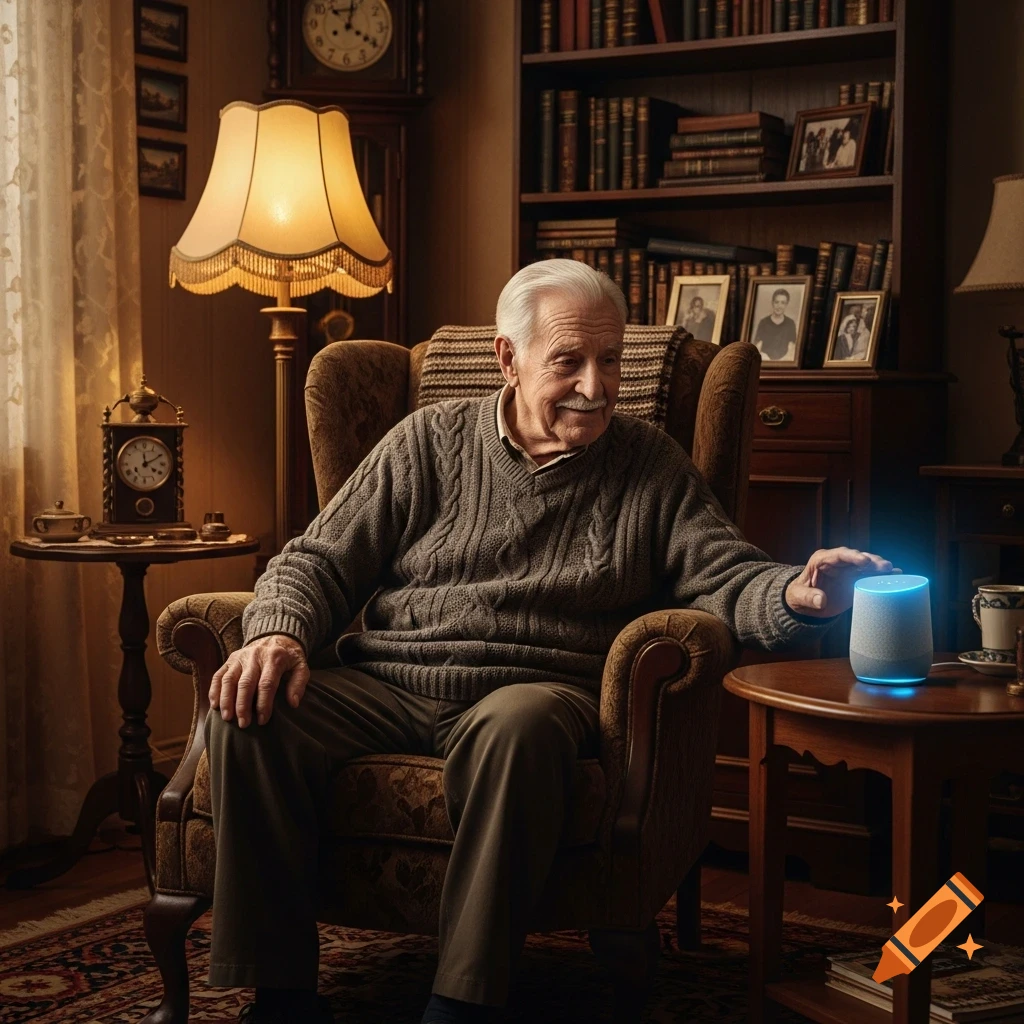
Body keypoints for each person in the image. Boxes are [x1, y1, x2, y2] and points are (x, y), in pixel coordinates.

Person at [205, 259, 893, 1024]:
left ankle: (462, 1001)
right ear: (509, 358)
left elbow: (725, 577)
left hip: (535, 690)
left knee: (519, 729)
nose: (597, 387)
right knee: (250, 707)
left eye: (610, 361)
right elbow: (319, 558)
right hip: (391, 682)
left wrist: (800, 592)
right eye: (569, 361)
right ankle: (281, 995)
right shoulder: (428, 441)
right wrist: (276, 635)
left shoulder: (648, 464)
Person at [752, 287, 798, 361]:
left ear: (786, 304)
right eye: (776, 302)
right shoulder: (763, 322)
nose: (779, 306)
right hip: (765, 359)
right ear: (772, 303)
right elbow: (757, 346)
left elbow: (792, 348)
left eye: (783, 303)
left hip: (784, 361)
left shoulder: (790, 323)